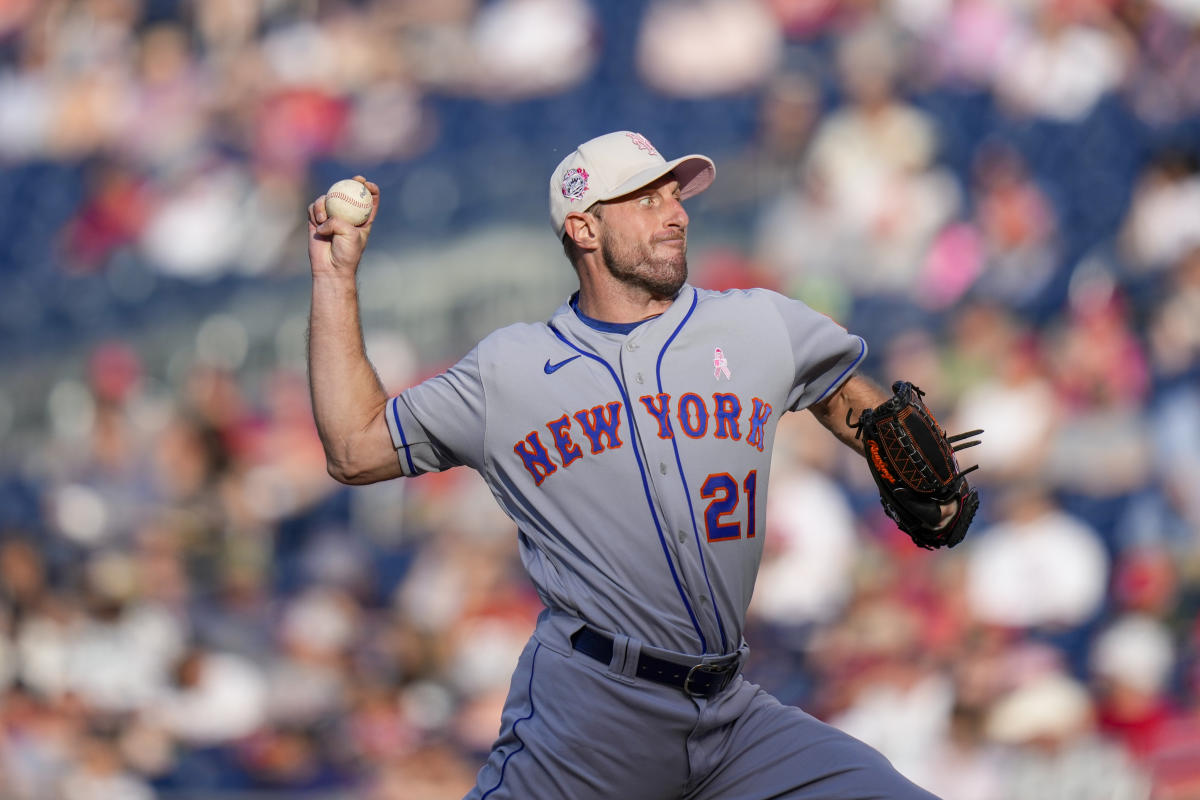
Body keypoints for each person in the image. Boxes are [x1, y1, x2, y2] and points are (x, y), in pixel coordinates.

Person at [306, 131, 945, 799]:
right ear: (584, 227)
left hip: (729, 710)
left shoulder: (758, 324)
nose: (675, 213)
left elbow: (843, 391)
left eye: (675, 196)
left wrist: (916, 472)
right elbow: (355, 448)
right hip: (592, 715)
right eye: (645, 200)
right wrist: (333, 274)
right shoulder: (509, 371)